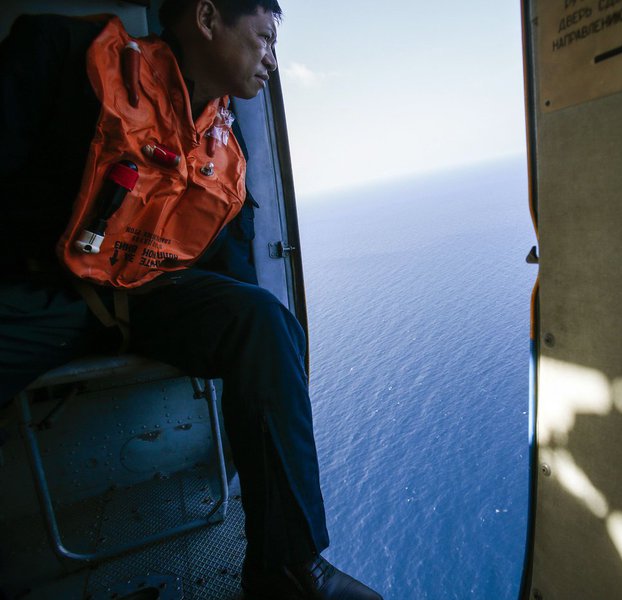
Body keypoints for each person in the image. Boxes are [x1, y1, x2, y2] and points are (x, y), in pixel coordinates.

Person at [0, 1, 382, 599]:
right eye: (263, 40)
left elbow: (232, 281)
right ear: (206, 18)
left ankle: (285, 567)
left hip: (153, 300)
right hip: (44, 290)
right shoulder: (66, 56)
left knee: (264, 322)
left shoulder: (226, 150)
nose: (272, 61)